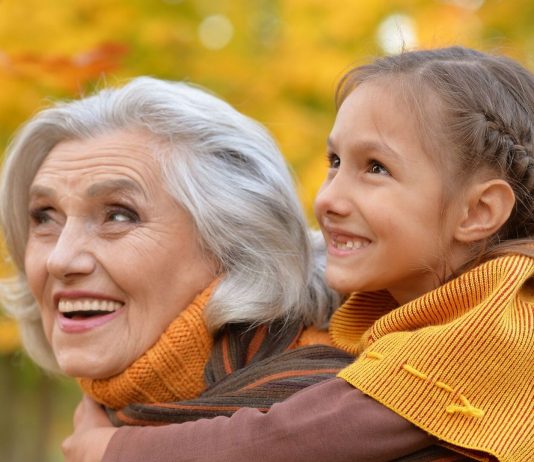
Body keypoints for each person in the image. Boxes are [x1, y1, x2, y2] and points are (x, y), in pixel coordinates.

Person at [61, 46, 533, 462]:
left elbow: (290, 439)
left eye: (376, 168)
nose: (328, 198)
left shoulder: (502, 317)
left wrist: (111, 451)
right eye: (334, 162)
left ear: (478, 211)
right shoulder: (417, 309)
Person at [0, 77, 432, 461]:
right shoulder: (108, 421)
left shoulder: (360, 414)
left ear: (234, 243)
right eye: (44, 217)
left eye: (118, 215)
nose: (60, 258)